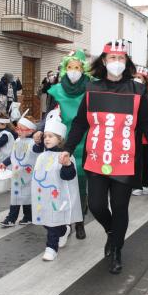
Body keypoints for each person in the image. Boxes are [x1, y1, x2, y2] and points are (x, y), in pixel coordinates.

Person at [61, 40, 148, 275]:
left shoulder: (138, 90)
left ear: (126, 63)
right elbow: (79, 123)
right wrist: (67, 147)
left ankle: (116, 248)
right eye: (112, 58)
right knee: (96, 205)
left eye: (121, 59)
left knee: (119, 208)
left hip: (125, 160)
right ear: (104, 61)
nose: (116, 63)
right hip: (96, 158)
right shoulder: (92, 89)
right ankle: (112, 232)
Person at [36, 50, 91, 239]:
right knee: (61, 183)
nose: (73, 71)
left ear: (83, 69)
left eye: (77, 67)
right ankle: (65, 222)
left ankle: (80, 220)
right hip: (62, 140)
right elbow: (49, 114)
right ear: (65, 68)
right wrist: (40, 130)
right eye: (70, 67)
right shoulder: (57, 89)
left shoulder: (92, 88)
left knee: (81, 183)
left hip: (86, 140)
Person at [32, 110, 83, 261]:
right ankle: (64, 230)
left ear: (60, 139)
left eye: (50, 136)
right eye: (45, 136)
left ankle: (51, 247)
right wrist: (37, 138)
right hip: (43, 196)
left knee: (53, 221)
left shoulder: (65, 156)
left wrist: (67, 165)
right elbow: (35, 150)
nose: (46, 139)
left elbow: (68, 176)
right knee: (46, 221)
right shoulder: (42, 154)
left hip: (59, 197)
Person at [0, 112, 38, 227]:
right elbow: (12, 156)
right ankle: (11, 218)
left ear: (30, 131)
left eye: (21, 129)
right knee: (16, 197)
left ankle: (27, 216)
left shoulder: (33, 143)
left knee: (26, 197)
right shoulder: (17, 141)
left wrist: (38, 140)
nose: (18, 131)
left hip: (28, 176)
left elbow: (37, 149)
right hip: (17, 175)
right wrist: (4, 163)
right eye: (17, 128)